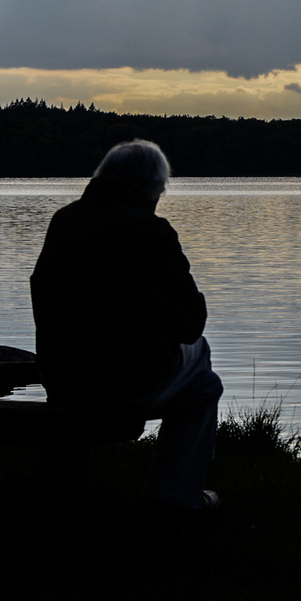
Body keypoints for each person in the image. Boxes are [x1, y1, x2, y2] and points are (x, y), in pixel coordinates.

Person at [30, 139, 223, 512]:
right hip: (123, 383)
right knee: (204, 379)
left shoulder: (65, 220)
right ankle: (175, 496)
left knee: (194, 371)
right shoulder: (151, 232)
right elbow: (190, 325)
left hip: (64, 380)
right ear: (150, 189)